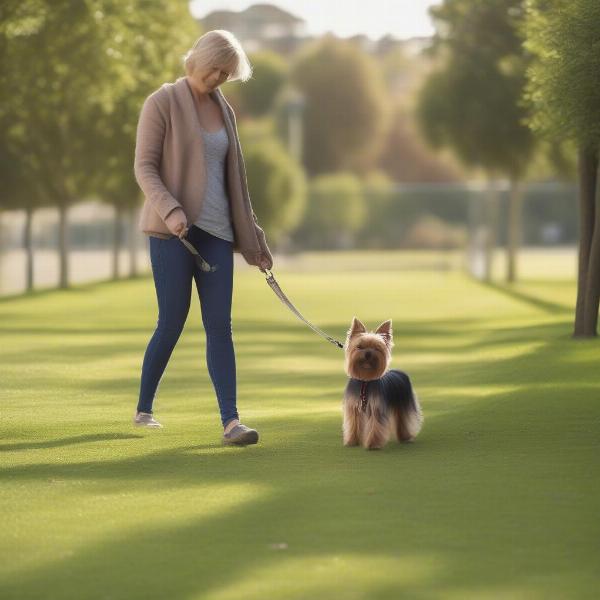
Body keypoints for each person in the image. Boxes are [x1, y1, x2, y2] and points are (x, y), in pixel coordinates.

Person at [132, 30, 273, 446]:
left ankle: (232, 422)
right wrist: (172, 210)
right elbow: (144, 168)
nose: (220, 79)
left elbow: (236, 182)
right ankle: (144, 409)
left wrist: (254, 243)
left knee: (220, 327)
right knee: (171, 322)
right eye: (217, 69)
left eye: (227, 74)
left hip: (216, 234)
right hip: (171, 234)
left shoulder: (223, 108)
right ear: (198, 59)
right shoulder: (161, 102)